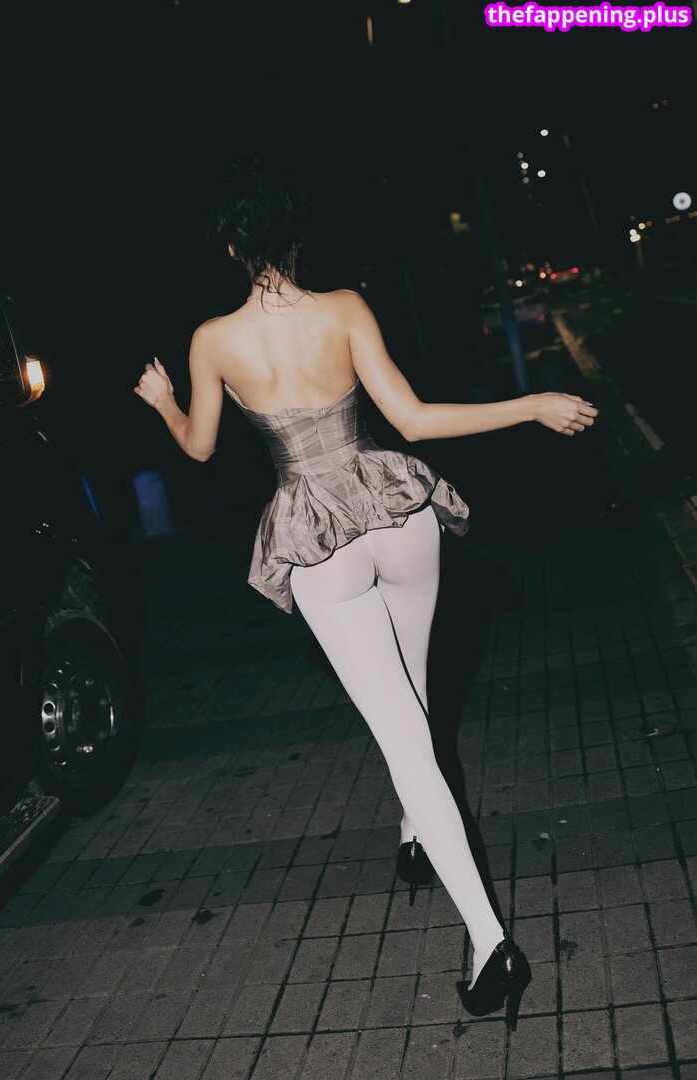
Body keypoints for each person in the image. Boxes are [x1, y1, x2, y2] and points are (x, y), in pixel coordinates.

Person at [134, 152, 599, 1029]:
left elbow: (198, 447)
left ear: (233, 247)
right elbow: (414, 419)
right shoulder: (345, 308)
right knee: (415, 703)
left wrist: (162, 399)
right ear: (295, 237)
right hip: (395, 509)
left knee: (402, 735)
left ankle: (491, 942)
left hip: (317, 534)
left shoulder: (212, 339)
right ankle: (415, 834)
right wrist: (531, 403)